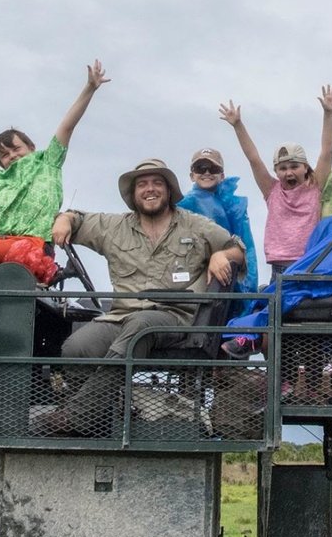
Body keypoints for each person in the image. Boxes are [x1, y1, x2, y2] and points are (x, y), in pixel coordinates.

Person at [42, 159, 245, 435]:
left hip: (173, 317)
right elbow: (76, 218)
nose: (150, 189)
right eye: (142, 184)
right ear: (133, 193)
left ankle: (76, 417)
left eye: (157, 183)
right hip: (121, 316)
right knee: (75, 348)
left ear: (169, 189)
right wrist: (65, 219)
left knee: (141, 326)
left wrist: (222, 254)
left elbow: (237, 248)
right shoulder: (113, 226)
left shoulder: (195, 225)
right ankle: (101, 416)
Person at [0, 60, 109, 296]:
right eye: (5, 155)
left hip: (34, 244)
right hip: (2, 243)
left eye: (16, 149)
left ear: (31, 147)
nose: (12, 156)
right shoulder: (1, 180)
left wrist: (89, 88)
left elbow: (67, 126)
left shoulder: (47, 162)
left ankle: (49, 271)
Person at [221, 159, 332, 357]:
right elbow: (312, 256)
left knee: (287, 296)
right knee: (266, 295)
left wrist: (316, 275)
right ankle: (248, 336)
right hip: (315, 278)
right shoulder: (327, 224)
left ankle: (249, 335)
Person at [218, 88, 332, 276]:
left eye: (294, 166)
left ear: (305, 167)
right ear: (276, 172)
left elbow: (327, 151)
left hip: (309, 264)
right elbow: (254, 159)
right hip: (280, 268)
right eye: (282, 168)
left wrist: (328, 113)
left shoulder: (314, 187)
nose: (289, 172)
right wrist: (238, 125)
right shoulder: (272, 190)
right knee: (276, 305)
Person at [177, 146, 259, 300]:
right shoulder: (183, 205)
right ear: (192, 175)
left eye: (213, 168)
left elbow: (248, 249)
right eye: (200, 168)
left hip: (230, 277)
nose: (207, 172)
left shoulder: (234, 206)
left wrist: (249, 291)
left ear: (222, 175)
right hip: (196, 280)